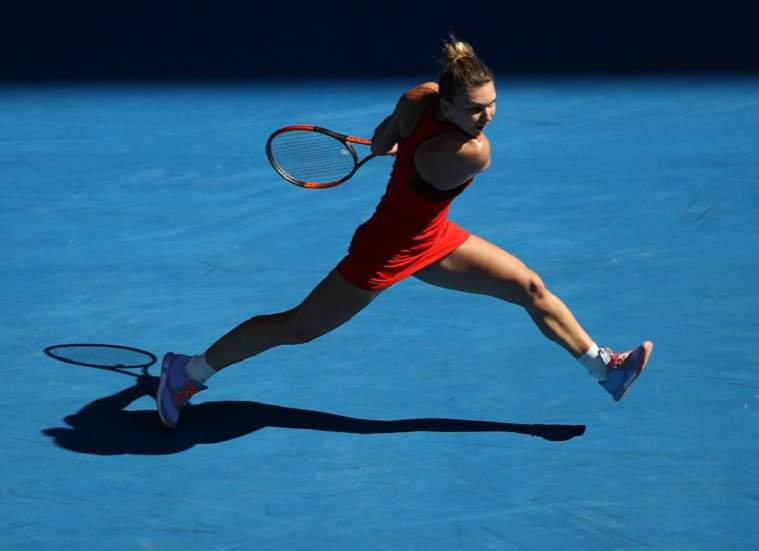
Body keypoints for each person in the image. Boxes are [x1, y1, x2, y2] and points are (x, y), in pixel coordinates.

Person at [156, 37, 653, 430]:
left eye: (493, 104)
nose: (488, 117)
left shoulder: (419, 98)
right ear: (451, 107)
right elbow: (411, 152)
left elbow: (380, 140)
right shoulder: (474, 152)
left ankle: (604, 369)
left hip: (431, 238)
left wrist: (407, 143)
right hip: (387, 248)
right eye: (477, 109)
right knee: (297, 326)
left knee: (529, 287)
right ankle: (188, 372)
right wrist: (417, 154)